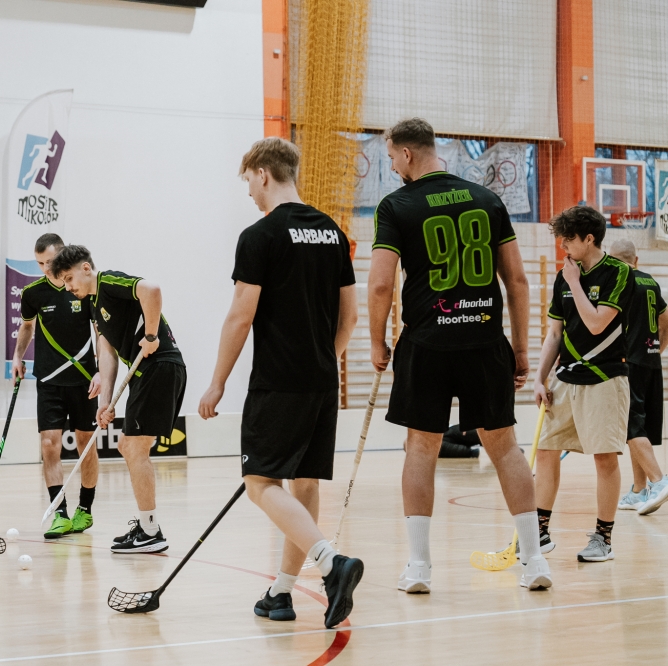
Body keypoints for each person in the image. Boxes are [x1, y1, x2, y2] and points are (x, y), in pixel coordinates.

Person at [370, 118, 552, 592]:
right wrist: (520, 347)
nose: (393, 168)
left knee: (420, 448)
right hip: (485, 342)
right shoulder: (488, 200)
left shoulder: (397, 205)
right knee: (505, 448)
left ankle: (418, 568)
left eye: (391, 158)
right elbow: (517, 280)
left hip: (426, 344)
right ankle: (534, 561)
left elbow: (381, 284)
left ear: (407, 154)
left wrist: (376, 341)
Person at [197, 136, 364, 629]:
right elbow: (350, 317)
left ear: (263, 173)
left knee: (260, 483)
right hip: (322, 380)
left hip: (278, 382)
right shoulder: (333, 233)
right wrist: (324, 361)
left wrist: (217, 383)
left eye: (248, 181)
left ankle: (331, 562)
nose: (249, 191)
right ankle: (282, 592)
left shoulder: (260, 235)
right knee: (303, 481)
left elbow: (240, 315)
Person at [51, 245, 186, 554]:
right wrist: (105, 402)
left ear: (86, 268)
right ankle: (148, 527)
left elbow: (151, 290)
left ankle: (150, 531)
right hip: (147, 372)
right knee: (130, 445)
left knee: (132, 446)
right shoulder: (94, 305)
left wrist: (151, 335)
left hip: (160, 365)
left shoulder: (109, 282)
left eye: (69, 279)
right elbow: (107, 352)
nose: (68, 288)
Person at [533, 206, 634, 562]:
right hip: (565, 379)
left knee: (604, 458)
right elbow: (554, 334)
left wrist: (575, 282)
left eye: (568, 240)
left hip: (605, 379)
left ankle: (603, 539)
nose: (562, 247)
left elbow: (596, 323)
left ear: (589, 239)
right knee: (546, 452)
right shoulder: (564, 276)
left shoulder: (619, 273)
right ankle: (539, 533)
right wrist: (540, 377)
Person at [13, 233, 102, 539]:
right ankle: (59, 513)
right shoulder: (33, 293)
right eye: (40, 263)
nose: (45, 268)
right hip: (49, 381)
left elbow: (99, 331)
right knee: (49, 444)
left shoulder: (82, 288)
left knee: (85, 444)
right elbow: (27, 327)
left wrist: (101, 371)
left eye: (50, 261)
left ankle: (85, 509)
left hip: (84, 380)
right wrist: (17, 357)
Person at [609, 239, 668, 514]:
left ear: (612, 260)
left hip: (628, 363)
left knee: (631, 426)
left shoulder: (619, 282)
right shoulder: (651, 282)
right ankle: (638, 490)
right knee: (639, 429)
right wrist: (657, 349)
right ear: (636, 259)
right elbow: (665, 320)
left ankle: (658, 481)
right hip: (651, 362)